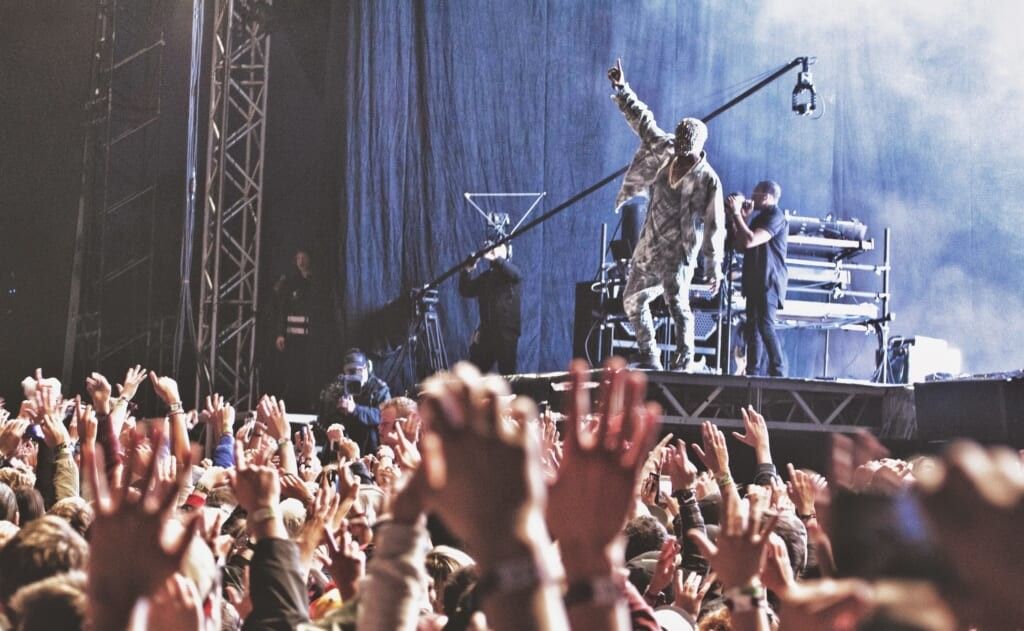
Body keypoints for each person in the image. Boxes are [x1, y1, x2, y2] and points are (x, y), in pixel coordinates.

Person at [608, 59, 726, 371]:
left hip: (678, 251)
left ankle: (684, 359)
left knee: (677, 304)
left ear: (698, 149)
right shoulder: (666, 149)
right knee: (633, 299)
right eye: (680, 146)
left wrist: (714, 267)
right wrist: (622, 89)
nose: (681, 153)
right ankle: (649, 354)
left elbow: (715, 227)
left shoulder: (707, 179)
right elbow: (643, 122)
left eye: (687, 151)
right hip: (652, 243)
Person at [727, 181, 788, 377]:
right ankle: (752, 371)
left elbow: (752, 240)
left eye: (756, 192)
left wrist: (737, 213)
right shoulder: (759, 218)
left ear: (768, 196)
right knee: (752, 328)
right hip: (754, 280)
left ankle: (778, 372)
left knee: (765, 325)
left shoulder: (776, 217)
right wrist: (743, 218)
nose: (752, 195)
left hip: (769, 280)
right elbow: (740, 245)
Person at [272, 249, 329, 412]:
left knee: (312, 372)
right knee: (292, 372)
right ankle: (290, 404)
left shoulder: (318, 282)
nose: (301, 261)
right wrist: (280, 334)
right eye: (298, 258)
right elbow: (282, 310)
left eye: (304, 257)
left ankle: (312, 403)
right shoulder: (291, 284)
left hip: (312, 339)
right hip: (293, 339)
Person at [458, 241, 522, 374]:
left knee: (507, 374)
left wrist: (496, 257)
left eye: (498, 249)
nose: (494, 252)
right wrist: (466, 270)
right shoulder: (487, 277)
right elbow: (466, 290)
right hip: (487, 332)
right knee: (475, 373)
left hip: (506, 333)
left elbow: (517, 275)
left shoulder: (511, 274)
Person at [317, 349, 391, 455]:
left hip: (368, 447)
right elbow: (323, 418)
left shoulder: (379, 388)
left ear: (366, 368)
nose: (355, 375)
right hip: (342, 444)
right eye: (350, 371)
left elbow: (382, 416)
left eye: (358, 370)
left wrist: (355, 409)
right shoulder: (338, 386)